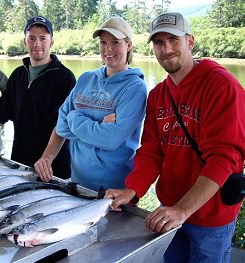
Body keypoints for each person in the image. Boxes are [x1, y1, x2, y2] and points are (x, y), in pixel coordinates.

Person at [105, 12, 245, 263]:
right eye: (159, 42)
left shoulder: (222, 86)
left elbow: (224, 157)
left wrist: (183, 210)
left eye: (173, 39)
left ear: (189, 41)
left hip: (211, 218)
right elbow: (150, 150)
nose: (166, 49)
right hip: (169, 212)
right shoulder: (159, 94)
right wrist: (133, 189)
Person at [0, 16, 76, 179]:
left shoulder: (65, 78)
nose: (37, 44)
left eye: (42, 39)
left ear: (51, 42)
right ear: (25, 42)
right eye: (31, 38)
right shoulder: (18, 75)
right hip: (20, 164)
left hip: (52, 169)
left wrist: (46, 158)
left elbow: (62, 125)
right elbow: (1, 113)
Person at [34, 17, 147, 191]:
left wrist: (74, 117)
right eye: (103, 42)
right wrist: (98, 126)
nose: (108, 49)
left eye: (115, 42)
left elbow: (110, 140)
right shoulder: (86, 78)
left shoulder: (135, 88)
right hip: (77, 180)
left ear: (128, 45)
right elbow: (61, 127)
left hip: (113, 189)